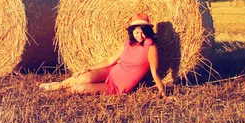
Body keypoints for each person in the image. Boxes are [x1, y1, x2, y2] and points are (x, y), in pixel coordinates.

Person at [39, 13, 167, 97]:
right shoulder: (128, 42)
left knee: (78, 89)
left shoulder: (150, 45)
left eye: (143, 32)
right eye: (137, 32)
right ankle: (57, 85)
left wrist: (163, 92)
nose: (140, 36)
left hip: (118, 86)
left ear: (148, 31)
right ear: (132, 32)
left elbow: (154, 71)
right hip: (111, 72)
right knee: (85, 77)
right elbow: (110, 60)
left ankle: (60, 91)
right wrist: (89, 68)